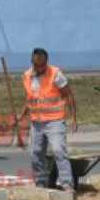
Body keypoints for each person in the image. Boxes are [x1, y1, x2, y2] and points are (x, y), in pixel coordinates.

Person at [18, 48, 78, 191]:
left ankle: (67, 184)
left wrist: (74, 117)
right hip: (36, 122)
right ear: (32, 62)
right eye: (36, 65)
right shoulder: (27, 76)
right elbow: (30, 99)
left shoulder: (56, 74)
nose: (39, 68)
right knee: (36, 153)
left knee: (59, 151)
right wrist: (21, 116)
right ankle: (40, 182)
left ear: (47, 62)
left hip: (54, 121)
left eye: (42, 65)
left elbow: (68, 95)